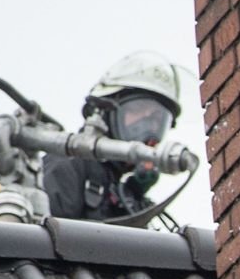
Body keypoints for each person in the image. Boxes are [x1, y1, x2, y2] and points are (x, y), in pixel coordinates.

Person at [42, 52, 185, 223]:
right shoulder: (68, 164)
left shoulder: (120, 188)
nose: (148, 128)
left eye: (157, 119)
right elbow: (51, 242)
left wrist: (133, 193)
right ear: (106, 113)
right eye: (138, 109)